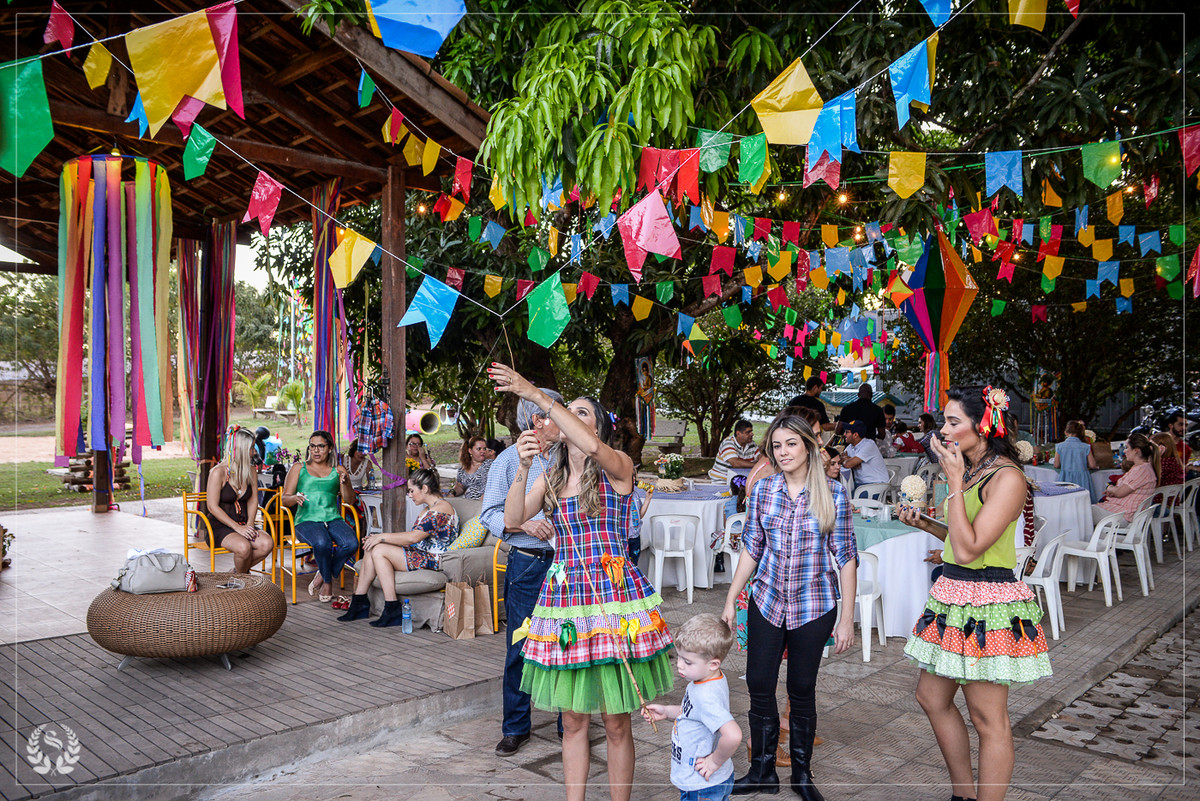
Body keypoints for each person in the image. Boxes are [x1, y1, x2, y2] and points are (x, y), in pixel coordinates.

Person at [490, 363, 674, 801]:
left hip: (612, 596)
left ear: (598, 425)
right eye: (566, 411)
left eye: (581, 411)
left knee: (615, 720)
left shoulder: (618, 468)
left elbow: (589, 444)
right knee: (572, 720)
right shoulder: (551, 477)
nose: (569, 417)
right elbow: (514, 518)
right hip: (564, 599)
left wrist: (535, 393)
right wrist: (523, 465)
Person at [898, 385, 1052, 801]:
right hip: (954, 592)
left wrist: (950, 481)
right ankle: (963, 794)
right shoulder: (970, 471)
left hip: (987, 601)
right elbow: (962, 540)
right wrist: (927, 525)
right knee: (931, 697)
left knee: (989, 719)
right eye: (944, 421)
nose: (944, 431)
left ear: (983, 426)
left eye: (953, 422)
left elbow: (971, 549)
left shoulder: (1007, 476)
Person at [721, 415, 857, 799]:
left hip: (814, 605)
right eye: (776, 446)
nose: (783, 452)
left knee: (801, 689)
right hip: (766, 600)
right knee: (759, 686)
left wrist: (847, 619)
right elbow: (752, 548)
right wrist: (732, 597)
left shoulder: (833, 492)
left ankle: (801, 774)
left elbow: (846, 557)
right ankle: (762, 771)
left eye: (790, 444)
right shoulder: (763, 490)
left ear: (808, 446)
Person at [480, 387, 565, 756]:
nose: (562, 417)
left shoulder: (571, 455)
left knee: (570, 641)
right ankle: (515, 727)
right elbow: (489, 514)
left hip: (567, 564)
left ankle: (570, 724)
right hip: (528, 563)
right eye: (555, 410)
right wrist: (524, 525)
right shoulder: (508, 461)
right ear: (537, 420)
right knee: (520, 646)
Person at [336, 469, 457, 626]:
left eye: (412, 491)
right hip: (420, 553)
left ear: (425, 488)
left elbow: (413, 537)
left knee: (378, 549)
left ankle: (392, 607)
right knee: (372, 546)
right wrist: (376, 539)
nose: (410, 495)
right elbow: (412, 539)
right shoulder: (428, 509)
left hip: (434, 559)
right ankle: (359, 602)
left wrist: (381, 537)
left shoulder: (441, 508)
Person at [643, 614, 743, 801]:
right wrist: (667, 712)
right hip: (707, 781)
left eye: (688, 662)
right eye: (679, 657)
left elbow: (734, 735)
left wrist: (714, 762)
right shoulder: (707, 679)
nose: (679, 666)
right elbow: (691, 713)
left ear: (713, 663)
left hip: (702, 785)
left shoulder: (706, 695)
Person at [282, 431, 359, 603]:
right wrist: (294, 498)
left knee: (351, 543)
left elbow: (350, 500)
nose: (316, 450)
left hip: (333, 518)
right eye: (312, 446)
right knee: (322, 542)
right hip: (306, 520)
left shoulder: (338, 470)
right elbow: (284, 500)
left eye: (321, 446)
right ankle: (328, 582)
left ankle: (324, 572)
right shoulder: (298, 468)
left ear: (330, 448)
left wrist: (345, 483)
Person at [205, 427, 274, 574]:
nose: (254, 452)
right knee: (244, 548)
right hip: (220, 525)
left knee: (267, 544)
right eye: (251, 448)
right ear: (241, 449)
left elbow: (253, 500)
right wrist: (237, 528)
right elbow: (212, 507)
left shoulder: (251, 470)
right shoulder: (218, 472)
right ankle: (242, 582)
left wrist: (249, 526)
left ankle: (237, 574)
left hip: (243, 522)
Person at [1093, 433, 1160, 525]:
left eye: (1127, 448)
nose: (1124, 451)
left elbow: (1120, 492)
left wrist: (1109, 488)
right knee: (1082, 512)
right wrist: (1114, 491)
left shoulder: (1141, 470)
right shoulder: (1142, 468)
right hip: (1123, 512)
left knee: (1079, 513)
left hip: (1123, 515)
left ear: (1136, 450)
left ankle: (1078, 538)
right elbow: (1124, 491)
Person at [1054, 421, 1099, 501]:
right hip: (1082, 479)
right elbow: (1092, 465)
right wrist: (1096, 466)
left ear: (1066, 433)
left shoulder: (1059, 446)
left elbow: (1056, 465)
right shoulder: (1085, 447)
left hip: (1065, 478)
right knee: (1082, 501)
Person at [842, 421, 890, 488]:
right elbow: (842, 458)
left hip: (876, 485)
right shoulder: (850, 446)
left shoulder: (869, 444)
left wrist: (847, 460)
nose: (844, 434)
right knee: (844, 491)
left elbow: (847, 464)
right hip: (862, 484)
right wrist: (849, 461)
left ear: (855, 435)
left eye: (847, 432)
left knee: (847, 495)